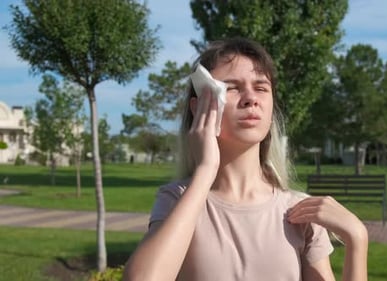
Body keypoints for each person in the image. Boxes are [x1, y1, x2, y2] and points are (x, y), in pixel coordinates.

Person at [123, 37, 368, 281]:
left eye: (261, 88)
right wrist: (206, 169)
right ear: (198, 109)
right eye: (231, 87)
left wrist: (357, 239)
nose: (251, 98)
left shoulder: (300, 212)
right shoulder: (178, 199)